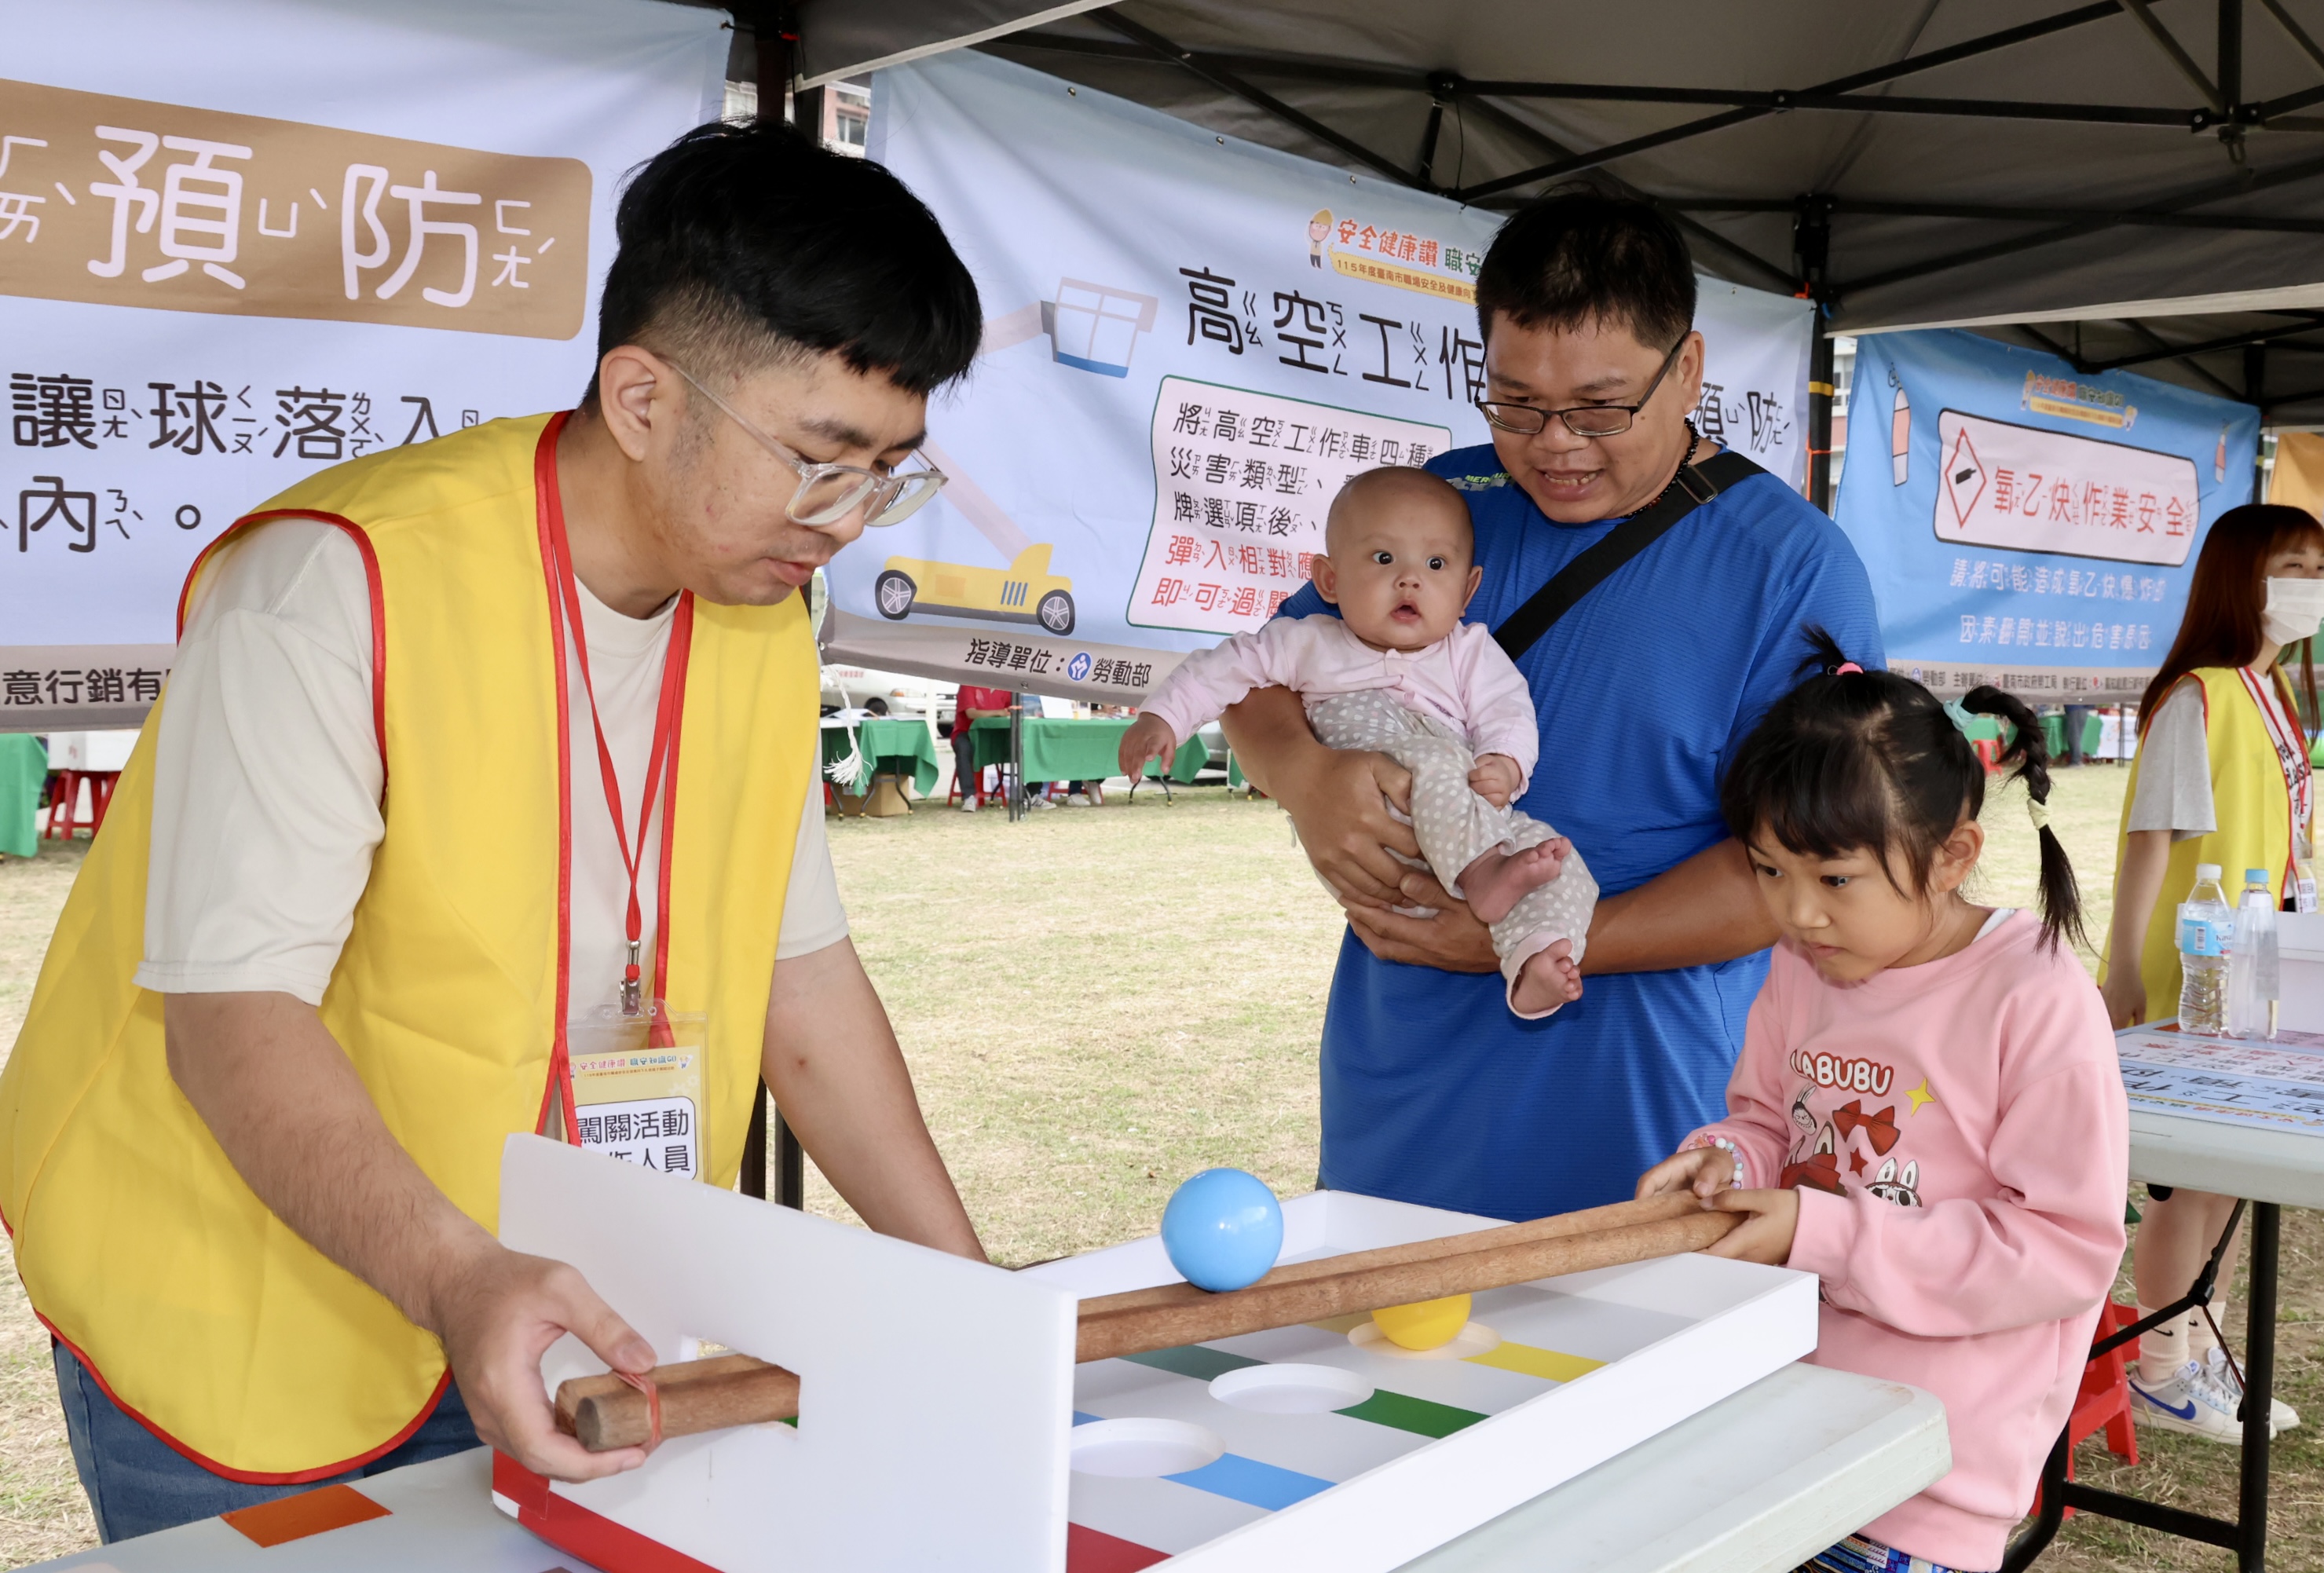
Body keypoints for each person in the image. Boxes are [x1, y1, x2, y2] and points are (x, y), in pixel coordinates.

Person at [0, 121, 991, 1540]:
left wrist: (972, 1299)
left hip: (563, 1302)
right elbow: (234, 1019)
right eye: (820, 460)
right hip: (249, 1313)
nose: (848, 519)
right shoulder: (337, 583)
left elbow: (803, 979)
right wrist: (460, 1276)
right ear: (642, 398)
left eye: (888, 471)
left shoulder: (762, 615)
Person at [1224, 189, 1882, 1220]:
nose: (1555, 443)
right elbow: (1258, 677)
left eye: (1600, 409)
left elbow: (1816, 867)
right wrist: (1306, 777)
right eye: (1517, 403)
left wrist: (1542, 935)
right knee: (1389, 1317)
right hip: (1401, 1082)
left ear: (1688, 369)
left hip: (1646, 1100)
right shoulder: (1442, 508)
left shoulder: (1791, 567)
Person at [1638, 638, 2127, 1573]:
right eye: (1768, 870)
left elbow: (2062, 1251)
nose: (1796, 913)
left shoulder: (2030, 995)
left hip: (1921, 1477)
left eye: (1833, 878)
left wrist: (1816, 1233)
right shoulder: (1805, 963)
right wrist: (1728, 1158)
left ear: (1952, 856)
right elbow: (1770, 1120)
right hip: (1771, 1429)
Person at [1123, 466, 1596, 1016]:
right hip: (1375, 836)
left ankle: (1535, 957)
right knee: (1432, 759)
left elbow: (1507, 710)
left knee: (1554, 856)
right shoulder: (1308, 642)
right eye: (1384, 558)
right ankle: (1487, 875)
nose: (1410, 580)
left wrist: (1506, 763)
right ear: (1329, 580)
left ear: (1467, 590)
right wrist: (1162, 718)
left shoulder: (1469, 651)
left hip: (1459, 825)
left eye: (1435, 565)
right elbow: (1223, 669)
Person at [2097, 502, 2324, 1443]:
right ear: (2241, 577)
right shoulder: (2198, 694)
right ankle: (2161, 1369)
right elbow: (2151, 840)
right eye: (2291, 567)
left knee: (2229, 1175)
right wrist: (2122, 969)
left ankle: (2205, 1354)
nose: (2312, 587)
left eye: (2319, 568)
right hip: (2190, 972)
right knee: (2187, 1181)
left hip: (2256, 968)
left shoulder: (2268, 692)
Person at [950, 682, 1012, 811]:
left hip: (995, 734)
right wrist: (998, 712)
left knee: (1025, 745)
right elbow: (971, 713)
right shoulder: (968, 685)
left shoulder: (1006, 687)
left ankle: (1032, 793)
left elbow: (1011, 710)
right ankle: (969, 797)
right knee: (964, 748)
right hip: (966, 732)